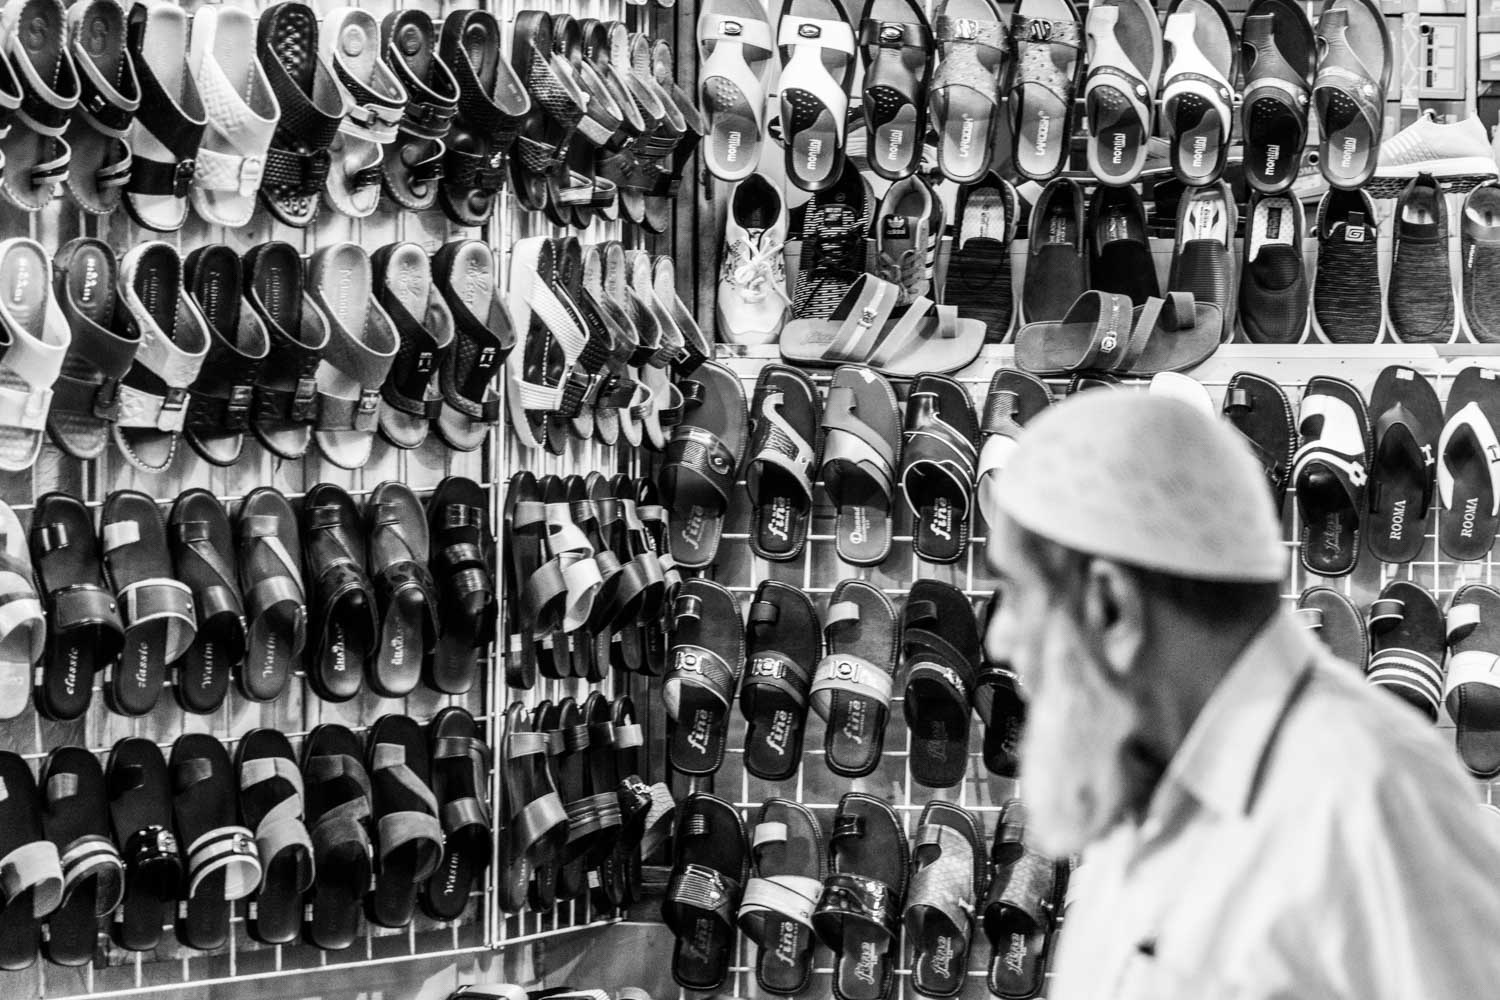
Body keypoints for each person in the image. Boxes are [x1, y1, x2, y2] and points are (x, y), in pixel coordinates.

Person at [982, 390, 1500, 999]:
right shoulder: (1149, 799)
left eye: (1019, 594)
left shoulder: (1365, 797)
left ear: (1110, 603)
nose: (1000, 638)